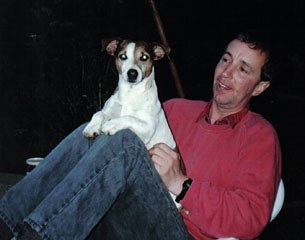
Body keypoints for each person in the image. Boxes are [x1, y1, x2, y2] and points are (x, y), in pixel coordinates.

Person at [0, 30, 281, 240]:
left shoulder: (260, 136)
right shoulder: (174, 109)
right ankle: (7, 219)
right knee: (91, 130)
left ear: (259, 88)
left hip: (181, 233)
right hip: (124, 216)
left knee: (124, 137)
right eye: (225, 60)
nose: (226, 73)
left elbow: (251, 218)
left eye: (243, 69)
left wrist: (182, 185)